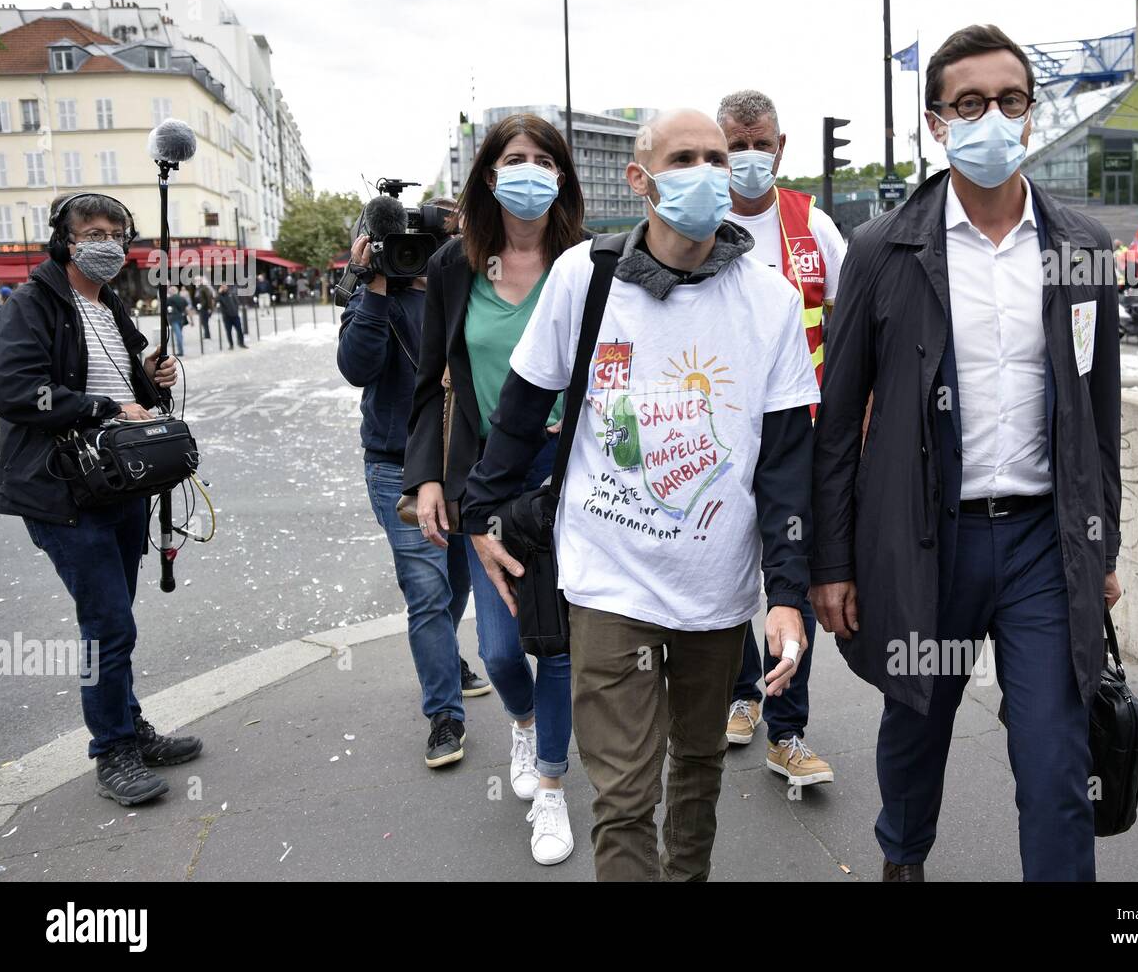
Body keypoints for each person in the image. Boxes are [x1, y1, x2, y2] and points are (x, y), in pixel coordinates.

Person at [462, 109, 818, 881]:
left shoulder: (771, 303)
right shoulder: (583, 276)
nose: (707, 173)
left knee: (696, 774)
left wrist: (787, 590)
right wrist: (481, 511)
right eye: (684, 157)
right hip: (607, 576)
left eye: (717, 157)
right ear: (640, 178)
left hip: (716, 588)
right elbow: (522, 409)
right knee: (623, 795)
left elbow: (788, 463)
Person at [811, 25, 1123, 882]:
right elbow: (838, 424)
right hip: (925, 539)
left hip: (1037, 547)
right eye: (970, 103)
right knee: (918, 721)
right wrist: (832, 561)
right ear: (937, 122)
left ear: (1030, 114)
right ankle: (902, 858)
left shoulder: (1082, 249)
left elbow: (1099, 415)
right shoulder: (881, 252)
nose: (992, 117)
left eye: (1009, 100)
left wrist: (1103, 545)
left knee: (1058, 763)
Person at [404, 113, 586, 866]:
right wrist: (426, 480)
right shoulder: (453, 265)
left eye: (545, 159)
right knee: (502, 646)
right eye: (515, 158)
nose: (531, 170)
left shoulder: (585, 263)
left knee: (561, 642)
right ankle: (519, 719)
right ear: (488, 174)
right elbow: (426, 384)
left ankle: (550, 783)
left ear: (563, 177)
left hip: (575, 476)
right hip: (490, 481)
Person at [0, 192, 201, 806]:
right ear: (63, 237)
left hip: (119, 481)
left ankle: (127, 727)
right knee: (105, 624)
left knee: (118, 622)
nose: (105, 241)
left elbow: (123, 382)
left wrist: (149, 377)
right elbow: (14, 389)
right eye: (91, 231)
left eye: (115, 231)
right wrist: (106, 407)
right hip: (64, 491)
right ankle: (111, 750)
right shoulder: (31, 304)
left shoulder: (110, 304)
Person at [717, 89, 846, 786]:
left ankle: (786, 728)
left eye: (759, 143)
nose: (747, 158)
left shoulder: (812, 226)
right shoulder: (698, 227)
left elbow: (854, 320)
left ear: (781, 147)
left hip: (805, 439)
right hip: (723, 439)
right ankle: (742, 690)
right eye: (734, 145)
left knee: (790, 573)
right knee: (729, 567)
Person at [337, 216, 490, 774]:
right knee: (427, 589)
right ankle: (443, 715)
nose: (424, 255)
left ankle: (446, 658)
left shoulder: (469, 293)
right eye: (416, 245)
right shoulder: (378, 300)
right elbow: (357, 368)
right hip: (396, 467)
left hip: (464, 465)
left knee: (457, 582)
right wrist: (372, 286)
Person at [216, 283, 247, 348]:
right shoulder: (220, 296)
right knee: (228, 331)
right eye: (222, 286)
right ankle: (231, 345)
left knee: (239, 330)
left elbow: (237, 302)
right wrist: (219, 293)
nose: (224, 287)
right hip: (226, 317)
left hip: (235, 315)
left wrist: (236, 310)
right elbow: (217, 301)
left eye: (225, 286)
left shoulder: (231, 293)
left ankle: (241, 343)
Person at [165, 288, 188, 358]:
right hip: (181, 318)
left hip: (173, 318)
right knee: (180, 334)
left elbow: (165, 309)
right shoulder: (182, 298)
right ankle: (180, 350)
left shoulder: (169, 299)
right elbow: (186, 308)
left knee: (178, 335)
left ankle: (181, 351)